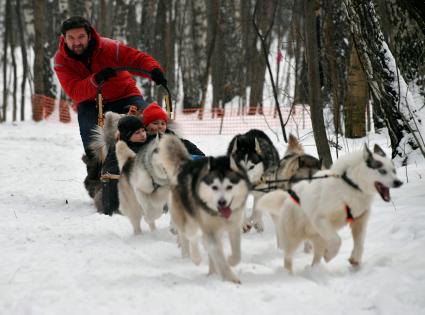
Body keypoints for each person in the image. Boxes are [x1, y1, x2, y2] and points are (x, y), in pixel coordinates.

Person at [54, 16, 167, 157]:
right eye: (71, 38)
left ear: (89, 36)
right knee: (90, 130)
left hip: (125, 94)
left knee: (148, 118)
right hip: (90, 102)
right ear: (64, 38)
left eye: (81, 37)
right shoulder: (61, 61)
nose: (76, 42)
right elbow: (75, 92)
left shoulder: (109, 47)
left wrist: (154, 70)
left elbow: (137, 59)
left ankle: (157, 158)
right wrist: (96, 79)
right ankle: (97, 171)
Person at [96, 115, 147, 215]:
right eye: (137, 132)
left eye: (143, 130)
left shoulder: (147, 145)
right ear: (127, 136)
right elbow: (109, 170)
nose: (143, 134)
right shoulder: (118, 149)